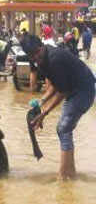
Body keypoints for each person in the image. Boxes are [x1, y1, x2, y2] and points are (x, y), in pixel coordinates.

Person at [20, 35, 95, 180]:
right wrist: (41, 101)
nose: (36, 57)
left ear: (41, 46)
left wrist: (45, 113)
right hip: (74, 90)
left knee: (63, 128)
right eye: (32, 55)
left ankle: (63, 176)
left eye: (37, 53)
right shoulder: (41, 61)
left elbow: (63, 91)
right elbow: (56, 84)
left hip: (84, 91)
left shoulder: (55, 59)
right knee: (64, 129)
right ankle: (71, 172)